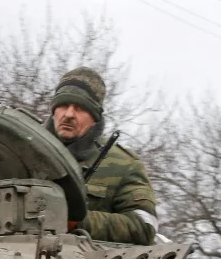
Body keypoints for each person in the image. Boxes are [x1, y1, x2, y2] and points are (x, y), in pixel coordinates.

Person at [47, 67, 158, 245]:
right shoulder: (18, 149)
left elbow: (144, 225)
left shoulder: (124, 164)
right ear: (53, 110)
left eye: (80, 108)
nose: (68, 114)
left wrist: (78, 221)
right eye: (63, 105)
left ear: (95, 118)